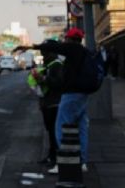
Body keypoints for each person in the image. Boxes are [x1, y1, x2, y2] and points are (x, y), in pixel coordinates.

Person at [37, 28, 91, 174]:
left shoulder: (73, 50)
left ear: (71, 39)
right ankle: (82, 162)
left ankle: (65, 163)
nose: (65, 41)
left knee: (60, 127)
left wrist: (34, 46)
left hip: (72, 94)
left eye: (66, 39)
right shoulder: (84, 52)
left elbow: (55, 47)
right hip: (82, 94)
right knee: (81, 128)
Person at [27, 40, 64, 168]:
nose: (43, 55)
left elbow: (58, 83)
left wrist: (42, 78)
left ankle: (55, 158)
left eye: (44, 52)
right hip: (47, 103)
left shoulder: (56, 65)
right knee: (50, 131)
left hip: (54, 104)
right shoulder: (49, 64)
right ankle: (51, 155)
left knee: (54, 131)